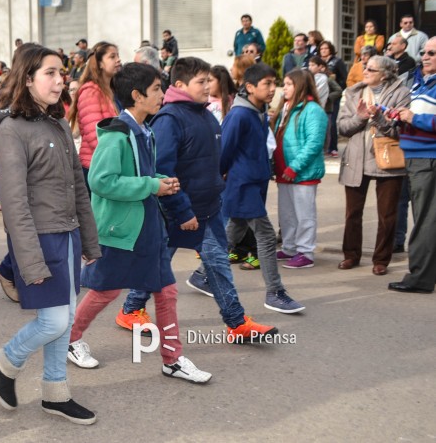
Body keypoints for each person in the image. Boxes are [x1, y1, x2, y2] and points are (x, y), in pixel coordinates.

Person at [68, 63, 212, 382]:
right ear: (137, 95)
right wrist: (150, 186)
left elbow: (140, 174)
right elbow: (101, 180)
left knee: (167, 292)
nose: (163, 94)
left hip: (148, 228)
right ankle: (69, 339)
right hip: (121, 232)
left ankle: (172, 359)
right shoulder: (117, 134)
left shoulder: (145, 129)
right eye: (157, 89)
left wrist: (161, 181)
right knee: (105, 291)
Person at [122, 57, 279, 341]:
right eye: (201, 82)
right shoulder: (169, 119)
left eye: (210, 81)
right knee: (161, 263)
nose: (208, 86)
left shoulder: (206, 114)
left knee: (215, 265)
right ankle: (131, 309)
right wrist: (181, 212)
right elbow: (163, 171)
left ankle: (235, 322)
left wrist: (217, 186)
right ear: (180, 85)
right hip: (179, 211)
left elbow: (211, 161)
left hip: (208, 209)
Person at [0, 43, 100, 425]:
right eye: (50, 73)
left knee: (65, 319)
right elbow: (14, 204)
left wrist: (88, 240)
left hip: (67, 237)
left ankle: (55, 392)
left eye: (61, 72)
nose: (59, 79)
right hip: (39, 240)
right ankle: (6, 360)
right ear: (28, 77)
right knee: (53, 322)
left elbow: (77, 187)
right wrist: (29, 261)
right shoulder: (10, 130)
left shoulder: (56, 124)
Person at [221, 64, 305, 313]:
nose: (273, 89)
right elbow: (224, 150)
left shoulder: (258, 112)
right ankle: (275, 293)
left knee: (233, 232)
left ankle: (202, 273)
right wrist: (220, 177)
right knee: (266, 236)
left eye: (273, 83)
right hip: (242, 185)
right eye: (267, 84)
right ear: (249, 87)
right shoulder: (239, 115)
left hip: (254, 183)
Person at [337, 55, 410, 275]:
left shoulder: (401, 93)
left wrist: (379, 118)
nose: (365, 71)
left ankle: (381, 260)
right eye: (364, 67)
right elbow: (342, 128)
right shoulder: (353, 92)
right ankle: (351, 255)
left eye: (371, 69)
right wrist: (360, 118)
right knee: (352, 213)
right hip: (356, 158)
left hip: (389, 159)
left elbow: (399, 129)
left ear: (385, 74)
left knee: (387, 215)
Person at [389, 37, 436, 294]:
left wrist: (414, 118)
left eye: (432, 53)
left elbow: (423, 120)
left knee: (425, 221)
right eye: (424, 52)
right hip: (416, 157)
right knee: (427, 219)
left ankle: (419, 278)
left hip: (428, 159)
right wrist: (393, 115)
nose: (425, 56)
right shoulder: (421, 84)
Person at [273, 68, 328, 269]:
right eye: (284, 84)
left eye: (288, 84)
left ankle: (305, 251)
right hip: (284, 172)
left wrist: (294, 167)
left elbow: (314, 143)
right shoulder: (287, 107)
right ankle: (289, 247)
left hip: (301, 173)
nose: (284, 88)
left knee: (304, 214)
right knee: (287, 214)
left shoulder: (312, 110)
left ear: (300, 86)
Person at [67, 41, 122, 184]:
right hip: (96, 167)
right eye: (112, 57)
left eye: (118, 55)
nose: (118, 60)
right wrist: (116, 159)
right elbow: (94, 136)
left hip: (108, 165)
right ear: (99, 64)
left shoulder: (110, 90)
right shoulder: (90, 92)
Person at [319, 40, 347, 156]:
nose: (323, 50)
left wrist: (335, 92)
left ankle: (333, 147)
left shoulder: (337, 61)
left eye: (326, 48)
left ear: (330, 49)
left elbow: (344, 78)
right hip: (320, 96)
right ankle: (323, 147)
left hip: (332, 96)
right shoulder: (317, 61)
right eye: (321, 49)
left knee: (332, 122)